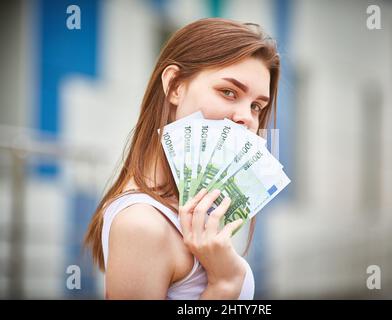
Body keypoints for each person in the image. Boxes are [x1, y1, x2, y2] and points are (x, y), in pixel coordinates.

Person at [84, 17, 280, 299]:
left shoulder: (192, 209)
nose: (246, 118)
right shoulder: (142, 224)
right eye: (228, 92)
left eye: (256, 106)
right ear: (174, 85)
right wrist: (225, 285)